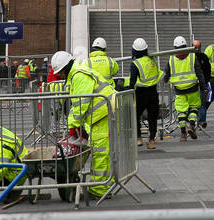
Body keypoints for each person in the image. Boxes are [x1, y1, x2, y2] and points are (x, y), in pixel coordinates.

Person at [51, 48, 117, 198]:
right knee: (102, 151)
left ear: (66, 68)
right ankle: (103, 185)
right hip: (102, 115)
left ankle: (99, 190)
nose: (60, 75)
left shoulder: (79, 75)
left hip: (103, 115)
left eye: (60, 72)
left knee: (101, 152)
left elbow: (81, 104)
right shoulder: (77, 74)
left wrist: (72, 125)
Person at [128, 37, 162, 148]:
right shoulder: (153, 61)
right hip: (153, 92)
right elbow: (158, 74)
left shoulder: (135, 64)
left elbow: (132, 82)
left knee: (136, 116)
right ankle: (151, 140)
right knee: (152, 117)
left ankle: (138, 138)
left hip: (140, 93)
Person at [168, 35, 201, 140]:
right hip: (192, 87)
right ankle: (191, 125)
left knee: (181, 111)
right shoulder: (192, 56)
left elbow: (167, 72)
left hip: (179, 89)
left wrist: (165, 79)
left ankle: (183, 134)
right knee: (194, 107)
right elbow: (199, 72)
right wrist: (204, 86)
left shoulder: (171, 58)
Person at [193, 38, 214, 128]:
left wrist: (206, 81)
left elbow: (208, 69)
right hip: (192, 83)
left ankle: (202, 121)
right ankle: (193, 121)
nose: (196, 49)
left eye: (198, 47)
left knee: (202, 103)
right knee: (194, 104)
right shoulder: (190, 58)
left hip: (203, 83)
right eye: (195, 47)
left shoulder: (204, 57)